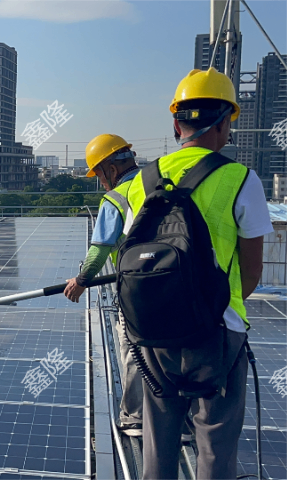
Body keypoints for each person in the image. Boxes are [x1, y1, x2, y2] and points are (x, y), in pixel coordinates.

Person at [125, 67, 272, 480]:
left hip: (153, 329)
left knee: (158, 437)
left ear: (176, 123)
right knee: (215, 442)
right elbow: (252, 271)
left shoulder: (142, 180)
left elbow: (133, 256)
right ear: (225, 122)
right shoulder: (241, 179)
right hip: (218, 331)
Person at [63, 133, 143, 436]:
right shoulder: (161, 182)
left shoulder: (117, 197)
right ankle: (181, 424)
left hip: (139, 290)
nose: (100, 181)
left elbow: (99, 249)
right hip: (181, 284)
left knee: (135, 352)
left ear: (110, 168)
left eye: (98, 173)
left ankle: (135, 418)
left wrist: (82, 280)